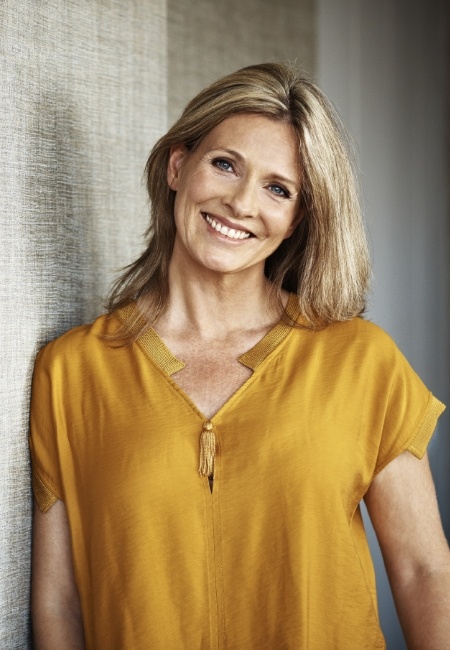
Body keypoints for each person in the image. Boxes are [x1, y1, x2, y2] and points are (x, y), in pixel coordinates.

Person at [30, 63, 450, 650]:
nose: (240, 203)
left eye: (278, 188)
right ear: (179, 166)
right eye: (225, 164)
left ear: (297, 218)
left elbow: (423, 573)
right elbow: (59, 602)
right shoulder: (72, 371)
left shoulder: (362, 362)